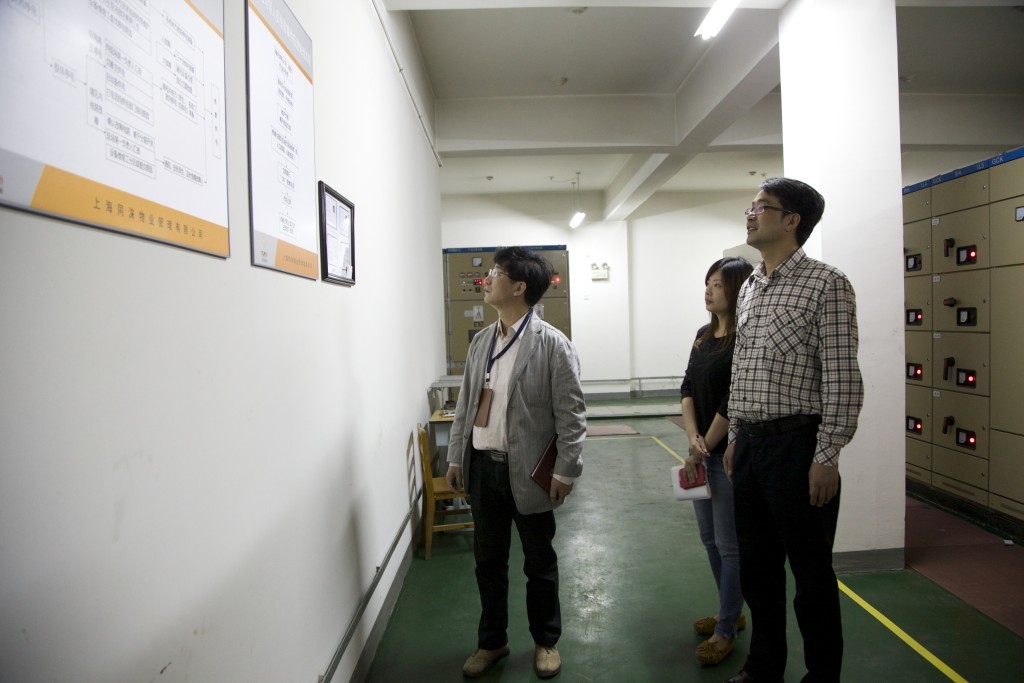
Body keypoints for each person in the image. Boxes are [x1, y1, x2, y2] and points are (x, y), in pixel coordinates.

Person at [723, 178, 863, 683]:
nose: (750, 213)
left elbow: (842, 377)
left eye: (761, 207)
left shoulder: (827, 284)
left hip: (798, 446)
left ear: (791, 221)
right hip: (751, 445)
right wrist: (735, 435)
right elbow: (743, 367)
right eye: (751, 205)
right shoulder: (751, 287)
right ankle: (764, 667)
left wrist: (827, 455)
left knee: (811, 575)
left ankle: (822, 675)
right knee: (759, 571)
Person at [445, 246, 586, 680]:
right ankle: (492, 642)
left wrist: (565, 471)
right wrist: (456, 457)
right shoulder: (482, 341)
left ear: (520, 286)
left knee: (539, 563)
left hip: (529, 473)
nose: (486, 279)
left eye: (496, 272)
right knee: (488, 562)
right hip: (483, 468)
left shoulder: (553, 345)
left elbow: (571, 415)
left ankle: (546, 641)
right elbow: (467, 405)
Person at [679, 256, 753, 666]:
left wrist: (704, 445)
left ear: (737, 289)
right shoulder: (703, 336)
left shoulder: (744, 338)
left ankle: (725, 630)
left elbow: (733, 400)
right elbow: (687, 387)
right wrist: (692, 438)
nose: (708, 290)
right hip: (701, 452)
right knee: (710, 540)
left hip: (726, 457)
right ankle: (731, 611)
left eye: (718, 284)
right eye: (707, 282)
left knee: (729, 545)